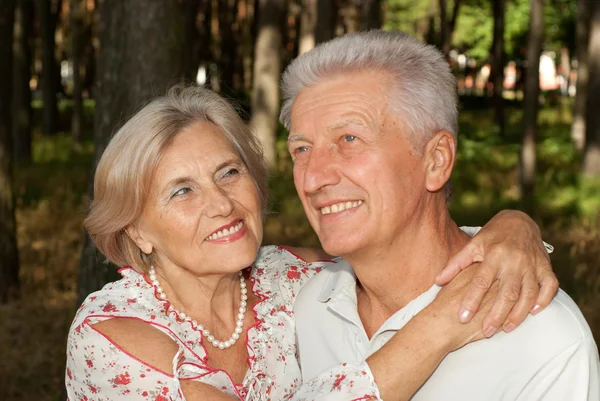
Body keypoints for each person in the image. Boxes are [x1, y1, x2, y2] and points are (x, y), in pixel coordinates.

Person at [65, 85, 556, 401]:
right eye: (182, 191)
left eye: (229, 173)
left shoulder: (289, 277)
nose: (221, 204)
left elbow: (402, 242)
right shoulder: (111, 336)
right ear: (136, 230)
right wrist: (441, 325)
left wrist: (513, 227)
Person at [284, 31, 600, 400]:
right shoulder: (307, 308)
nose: (314, 177)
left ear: (436, 160)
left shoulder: (543, 341)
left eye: (350, 139)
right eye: (302, 148)